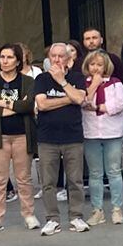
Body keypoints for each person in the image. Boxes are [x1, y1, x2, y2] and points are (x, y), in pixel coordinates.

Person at [28, 42, 90, 235]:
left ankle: (76, 216)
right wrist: (69, 98)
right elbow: (42, 105)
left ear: (68, 59)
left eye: (60, 56)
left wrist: (62, 82)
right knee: (48, 182)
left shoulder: (77, 77)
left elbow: (80, 99)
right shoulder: (41, 79)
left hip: (73, 136)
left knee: (75, 180)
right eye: (53, 56)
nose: (56, 60)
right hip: (47, 138)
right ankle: (52, 219)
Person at [0, 44, 37, 235]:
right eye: (2, 57)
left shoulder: (28, 81)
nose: (5, 61)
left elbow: (29, 105)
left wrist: (4, 103)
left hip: (22, 135)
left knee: (24, 178)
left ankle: (29, 215)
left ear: (18, 60)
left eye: (10, 57)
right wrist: (15, 107)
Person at [80, 50, 123, 225]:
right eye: (92, 64)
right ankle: (97, 210)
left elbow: (118, 104)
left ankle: (117, 208)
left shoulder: (116, 84)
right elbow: (83, 101)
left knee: (114, 171)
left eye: (99, 65)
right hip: (90, 133)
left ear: (106, 66)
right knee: (95, 173)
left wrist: (99, 107)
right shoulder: (83, 84)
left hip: (112, 132)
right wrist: (94, 85)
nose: (95, 68)